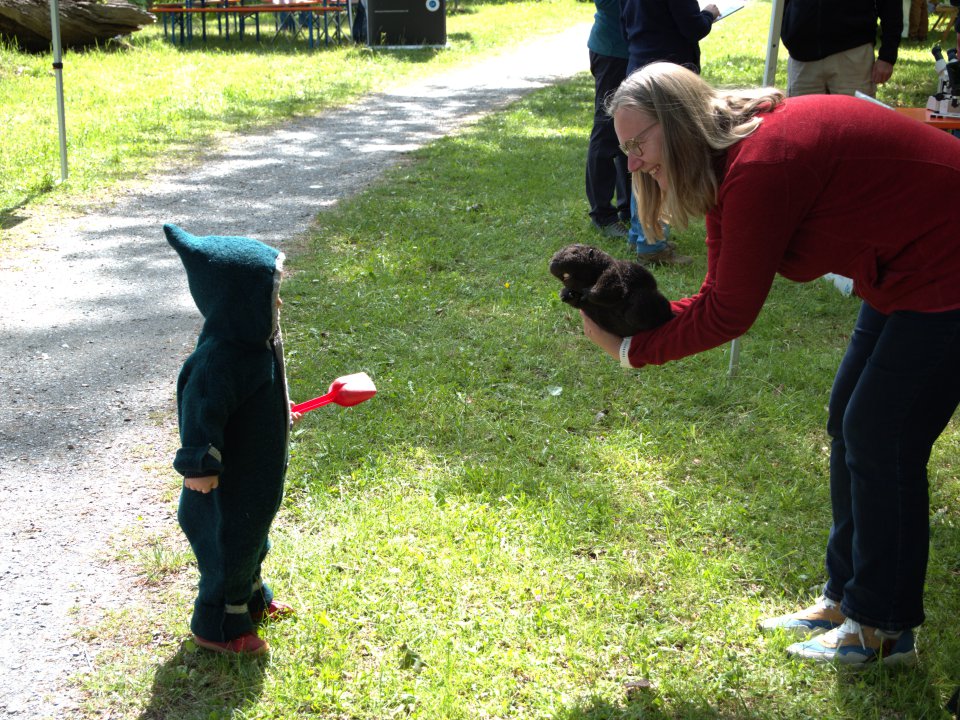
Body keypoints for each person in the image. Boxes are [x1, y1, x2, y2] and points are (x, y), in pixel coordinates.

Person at [582, 62, 960, 665]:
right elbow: (716, 291)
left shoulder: (759, 167)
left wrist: (633, 351)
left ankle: (882, 630)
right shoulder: (726, 159)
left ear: (676, 126)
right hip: (905, 269)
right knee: (849, 420)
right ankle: (847, 598)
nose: (632, 163)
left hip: (946, 266)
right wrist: (643, 321)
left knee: (880, 433)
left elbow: (731, 313)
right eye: (624, 149)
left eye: (639, 144)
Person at [165, 223, 300, 656]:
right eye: (270, 293)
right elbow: (200, 414)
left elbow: (256, 398)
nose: (279, 302)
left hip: (254, 478)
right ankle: (218, 623)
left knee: (253, 539)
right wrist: (199, 466)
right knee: (227, 551)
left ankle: (251, 601)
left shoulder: (256, 345)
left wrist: (282, 413)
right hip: (224, 489)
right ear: (238, 302)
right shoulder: (217, 361)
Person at [619, 0, 719, 265]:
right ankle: (652, 244)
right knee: (656, 161)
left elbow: (624, 27)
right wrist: (709, 14)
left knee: (643, 162)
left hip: (638, 70)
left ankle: (640, 233)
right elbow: (692, 27)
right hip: (665, 83)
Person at [780, 0, 902, 98]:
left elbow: (891, 5)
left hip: (852, 54)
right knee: (804, 125)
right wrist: (789, 30)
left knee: (856, 124)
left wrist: (887, 55)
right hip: (802, 58)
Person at [585, 0, 632, 239]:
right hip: (612, 50)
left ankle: (627, 208)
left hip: (629, 49)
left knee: (630, 129)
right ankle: (603, 215)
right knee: (606, 132)